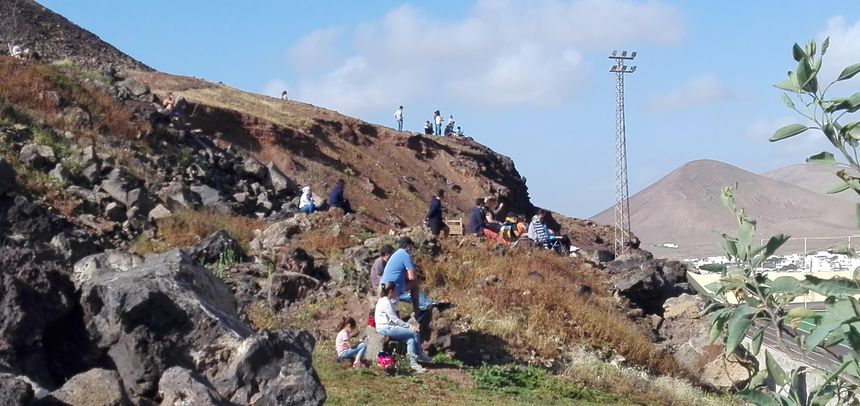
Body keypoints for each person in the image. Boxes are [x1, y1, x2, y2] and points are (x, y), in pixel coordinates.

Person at [375, 282, 431, 372]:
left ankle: (413, 363)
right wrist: (409, 326)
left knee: (410, 340)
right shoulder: (386, 302)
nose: (396, 292)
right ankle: (420, 354)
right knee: (415, 332)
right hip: (386, 328)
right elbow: (395, 320)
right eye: (395, 290)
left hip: (387, 327)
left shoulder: (385, 300)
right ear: (390, 291)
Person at [379, 237, 435, 315]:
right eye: (411, 246)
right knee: (414, 284)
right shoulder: (405, 255)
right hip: (393, 287)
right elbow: (412, 277)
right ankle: (417, 310)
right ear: (407, 245)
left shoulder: (395, 254)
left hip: (382, 286)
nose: (411, 249)